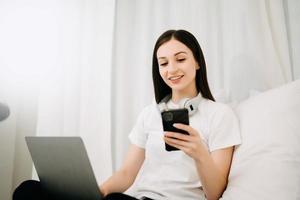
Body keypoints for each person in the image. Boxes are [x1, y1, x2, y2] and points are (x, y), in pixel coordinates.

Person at [13, 29, 241, 200]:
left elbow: (215, 194)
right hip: (137, 199)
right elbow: (126, 173)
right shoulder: (151, 113)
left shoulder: (220, 114)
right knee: (28, 189)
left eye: (180, 59)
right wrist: (96, 194)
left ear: (198, 62)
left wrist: (200, 153)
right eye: (163, 63)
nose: (171, 69)